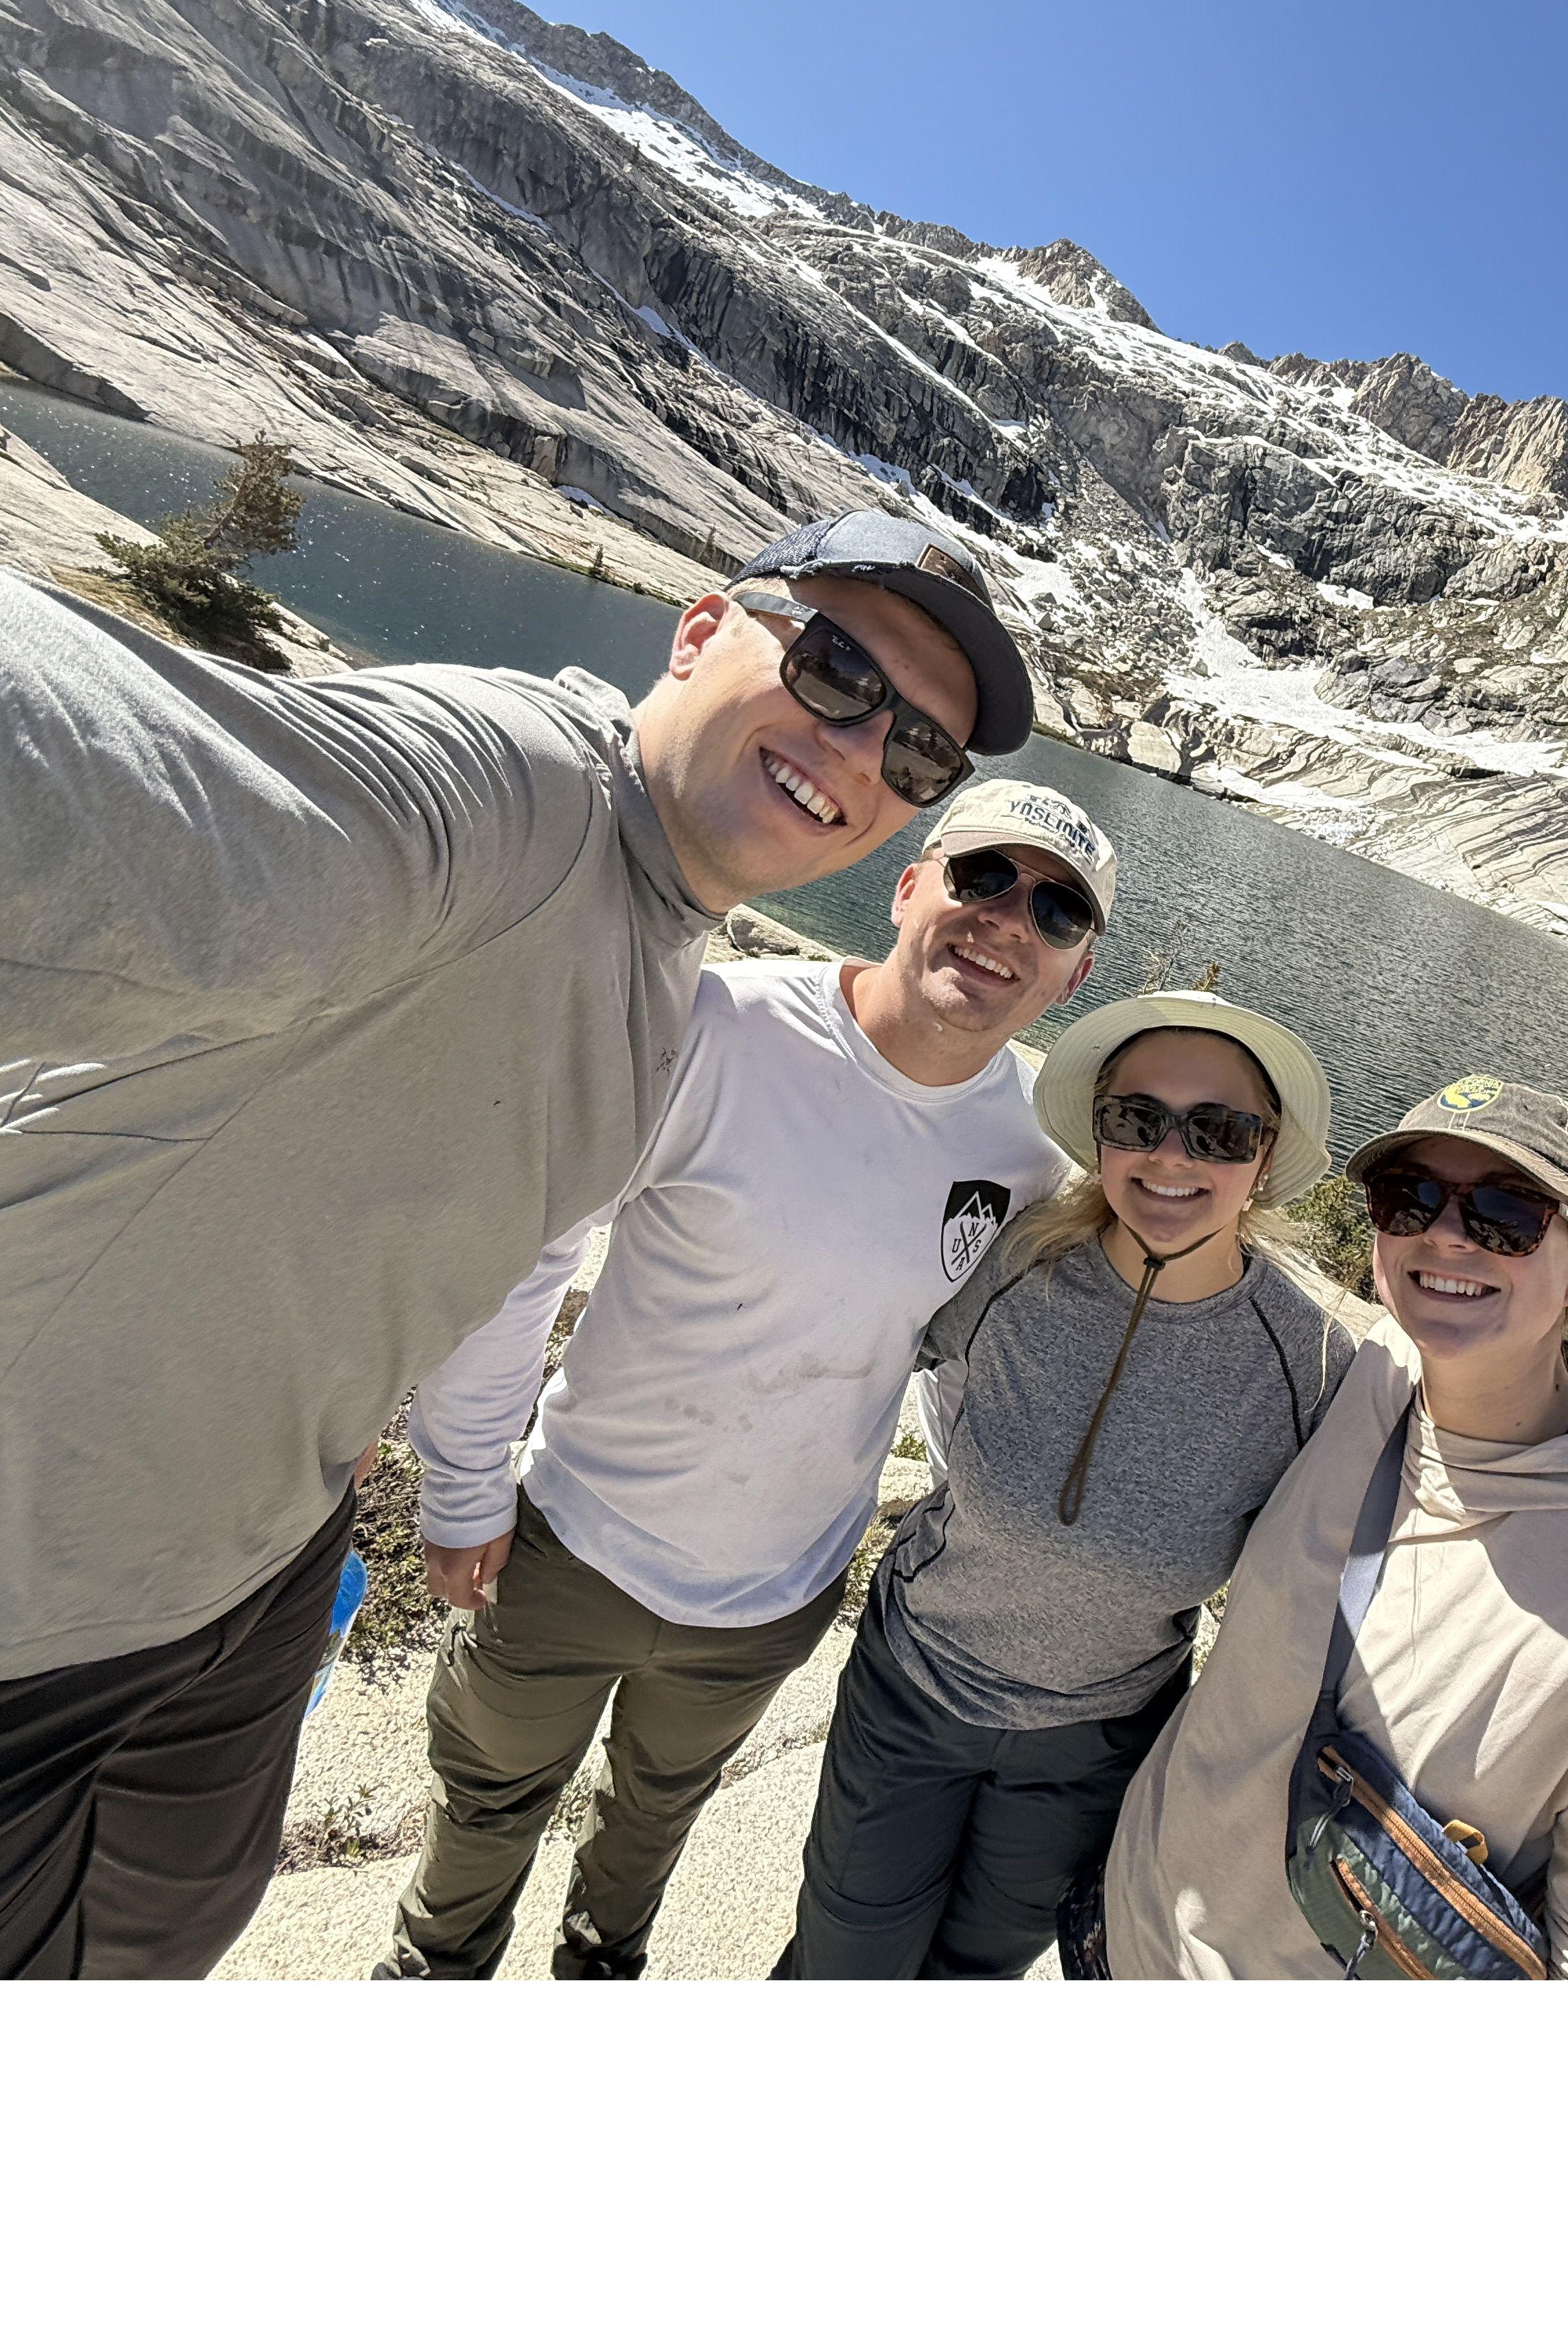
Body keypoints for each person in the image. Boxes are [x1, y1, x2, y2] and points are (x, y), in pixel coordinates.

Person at [0, 486, 1032, 1978]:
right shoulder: (508, 793)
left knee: (165, 1943)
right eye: (838, 670)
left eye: (916, 747)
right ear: (702, 627)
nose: (861, 749)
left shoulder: (670, 947)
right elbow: (78, 768)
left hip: (243, 1571)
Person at [377, 778, 1116, 1980]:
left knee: (654, 1821)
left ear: (1073, 975)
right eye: (983, 878)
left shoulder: (1033, 1153)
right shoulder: (720, 1026)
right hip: (571, 1545)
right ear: (909, 884)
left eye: (1057, 912)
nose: (1008, 922)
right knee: (484, 1808)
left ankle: (597, 1973)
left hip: (774, 1598)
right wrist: (463, 1483)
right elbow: (529, 1251)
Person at [1097, 1074, 1568, 1980]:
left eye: (1506, 1212)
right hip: (1123, 1931)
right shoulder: (1373, 1375)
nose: (1447, 1234)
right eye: (1408, 1198)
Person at [774, 988, 1353, 1979]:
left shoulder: (1310, 1367)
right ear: (1100, 1133)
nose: (1172, 1158)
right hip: (914, 1687)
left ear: (1263, 1160)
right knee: (841, 1962)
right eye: (1139, 1121)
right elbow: (854, 1345)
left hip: (1094, 1747)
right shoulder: (1010, 1259)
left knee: (978, 1975)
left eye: (1218, 1131)